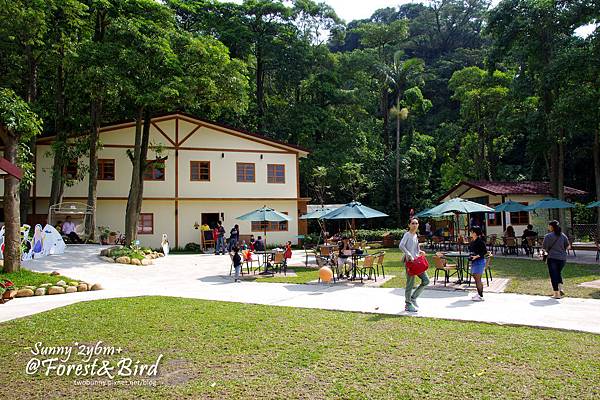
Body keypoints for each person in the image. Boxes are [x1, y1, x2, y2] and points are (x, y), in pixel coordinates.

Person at [399, 217, 430, 313]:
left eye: (416, 223)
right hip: (410, 263)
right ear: (409, 225)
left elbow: (416, 248)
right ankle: (408, 304)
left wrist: (420, 251)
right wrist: (408, 254)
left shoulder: (415, 235)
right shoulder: (407, 235)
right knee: (410, 284)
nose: (415, 225)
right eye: (413, 223)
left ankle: (413, 298)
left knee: (426, 280)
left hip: (417, 262)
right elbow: (401, 245)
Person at [543, 220, 570, 299]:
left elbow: (544, 249)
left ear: (552, 227)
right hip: (562, 259)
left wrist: (544, 256)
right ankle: (560, 288)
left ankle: (556, 294)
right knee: (558, 273)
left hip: (552, 258)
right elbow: (568, 247)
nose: (548, 227)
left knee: (553, 275)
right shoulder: (563, 235)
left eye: (549, 226)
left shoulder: (548, 236)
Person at [468, 226, 487, 301]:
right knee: (475, 277)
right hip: (474, 261)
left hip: (479, 261)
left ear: (475, 233)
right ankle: (479, 293)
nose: (470, 233)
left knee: (478, 279)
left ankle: (481, 296)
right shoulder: (473, 241)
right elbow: (472, 250)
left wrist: (476, 256)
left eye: (471, 232)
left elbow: (484, 252)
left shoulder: (480, 242)